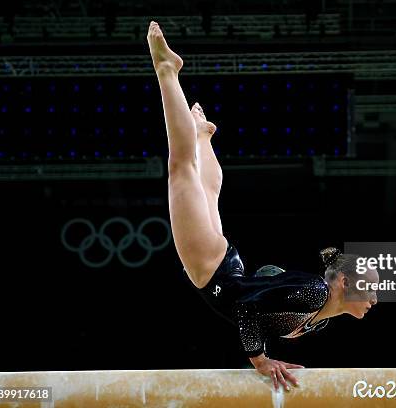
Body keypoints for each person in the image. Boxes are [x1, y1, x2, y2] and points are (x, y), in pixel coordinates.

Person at [146, 21, 379, 391]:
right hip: (215, 273)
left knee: (204, 188)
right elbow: (247, 309)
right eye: (370, 288)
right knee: (182, 171)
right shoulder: (315, 294)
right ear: (345, 284)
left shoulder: (319, 315)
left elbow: (272, 281)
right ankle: (167, 71)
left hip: (226, 270)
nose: (374, 297)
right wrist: (260, 359)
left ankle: (204, 135)